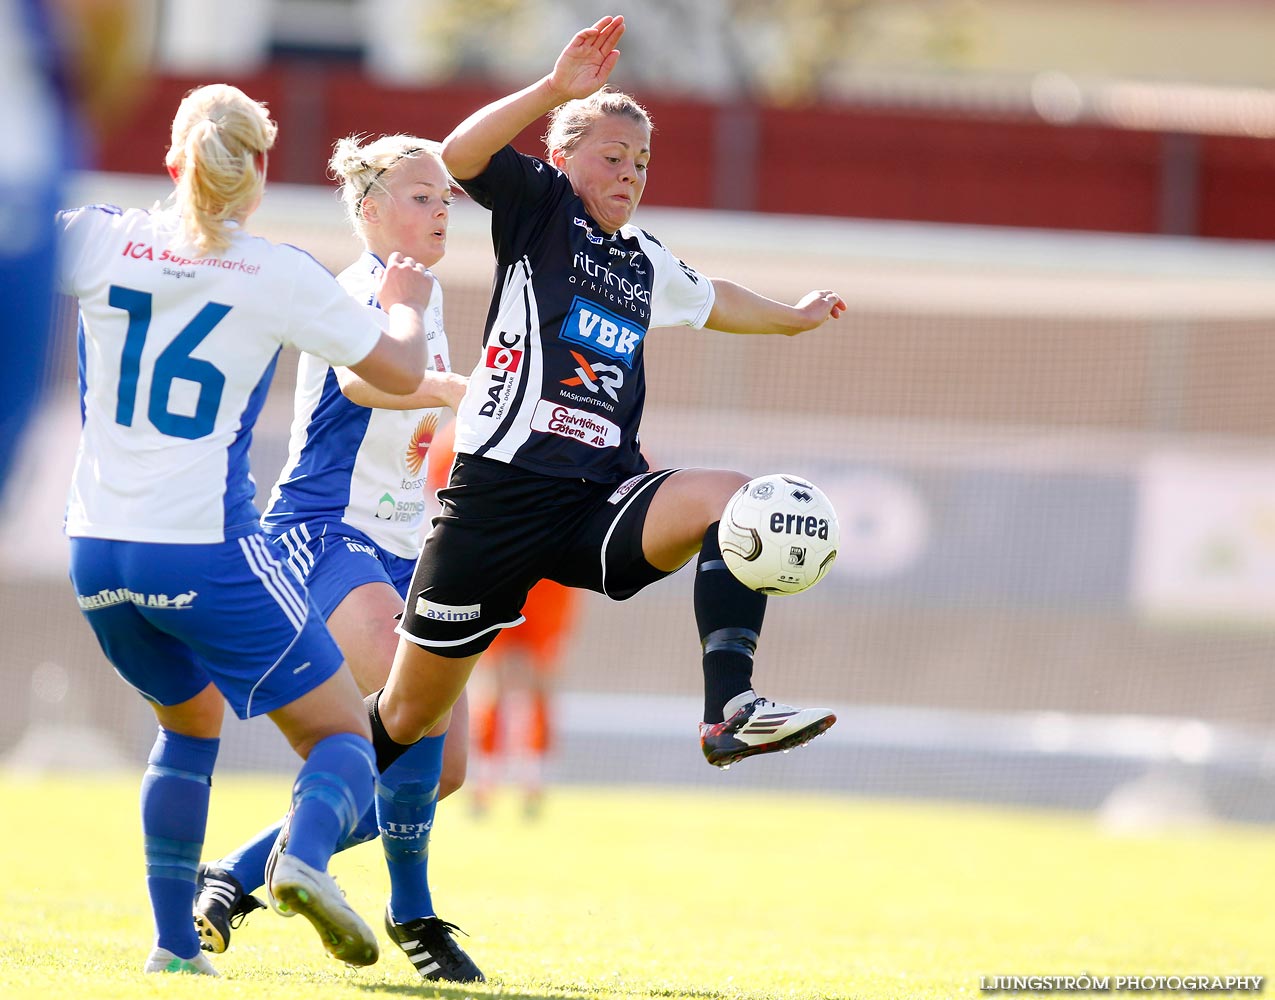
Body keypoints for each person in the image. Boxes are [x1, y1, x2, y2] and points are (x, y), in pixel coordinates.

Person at [363, 13, 847, 810]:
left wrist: (790, 316)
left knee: (736, 497)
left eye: (642, 162)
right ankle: (260, 862)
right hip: (499, 495)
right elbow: (459, 156)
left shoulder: (643, 259)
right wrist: (554, 89)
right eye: (612, 156)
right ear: (561, 157)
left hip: (596, 495)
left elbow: (714, 297)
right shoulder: (542, 210)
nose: (630, 173)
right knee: (409, 716)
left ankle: (728, 711)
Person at [54, 84, 435, 976]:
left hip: (95, 550)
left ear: (174, 161)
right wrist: (407, 297)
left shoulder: (99, 235)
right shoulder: (278, 271)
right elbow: (402, 364)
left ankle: (174, 950)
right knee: (344, 734)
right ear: (258, 173)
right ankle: (301, 859)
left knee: (188, 727)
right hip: (204, 550)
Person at [193, 134, 484, 983]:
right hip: (322, 531)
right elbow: (363, 382)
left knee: (443, 770)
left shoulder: (421, 295)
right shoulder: (358, 287)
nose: (441, 210)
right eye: (421, 195)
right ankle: (414, 914)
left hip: (401, 544)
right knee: (413, 707)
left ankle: (240, 875)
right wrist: (455, 388)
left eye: (445, 198)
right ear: (368, 209)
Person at [425, 419, 579, 819]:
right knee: (490, 678)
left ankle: (532, 782)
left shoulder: (573, 417)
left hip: (551, 571)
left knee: (539, 676)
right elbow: (438, 490)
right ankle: (487, 781)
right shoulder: (469, 427)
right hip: (496, 565)